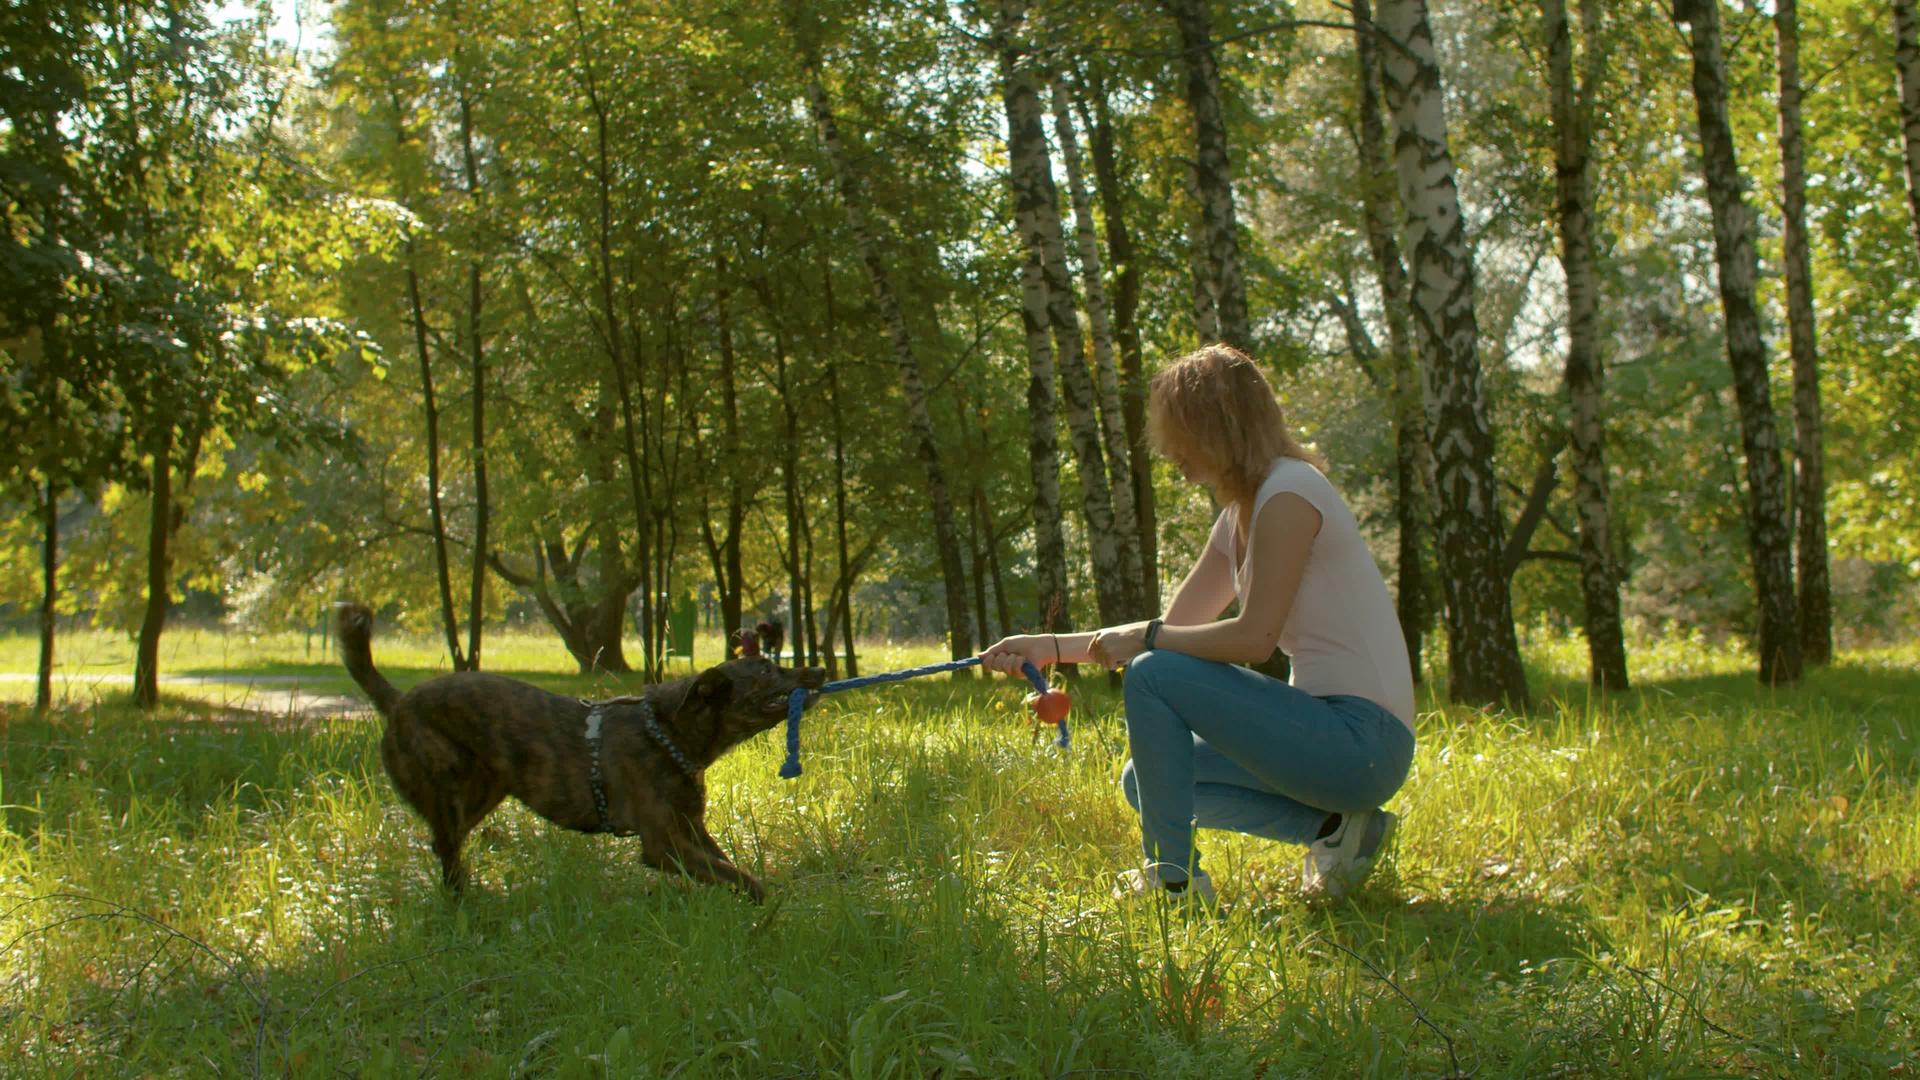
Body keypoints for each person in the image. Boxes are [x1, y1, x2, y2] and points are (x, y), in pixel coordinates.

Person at [980, 344, 1416, 902]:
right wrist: (1047, 647)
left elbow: (1253, 639)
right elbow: (1174, 629)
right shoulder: (1241, 514)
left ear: (1218, 427)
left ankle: (1173, 880)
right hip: (1327, 736)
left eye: (1180, 436)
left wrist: (1145, 641)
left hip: (1362, 742)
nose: (1172, 455)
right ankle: (1339, 829)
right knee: (1147, 780)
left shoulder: (1290, 492)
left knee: (1154, 671)